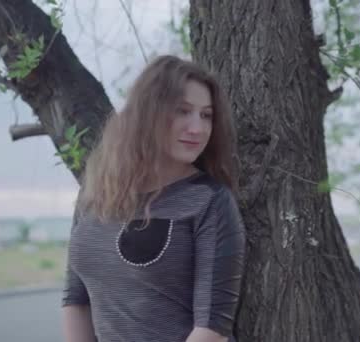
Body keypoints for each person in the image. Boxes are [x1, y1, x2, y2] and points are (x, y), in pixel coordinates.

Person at [61, 55, 246, 342]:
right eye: (182, 111)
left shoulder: (210, 201)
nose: (197, 128)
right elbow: (76, 298)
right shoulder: (95, 193)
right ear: (148, 113)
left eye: (206, 115)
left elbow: (212, 328)